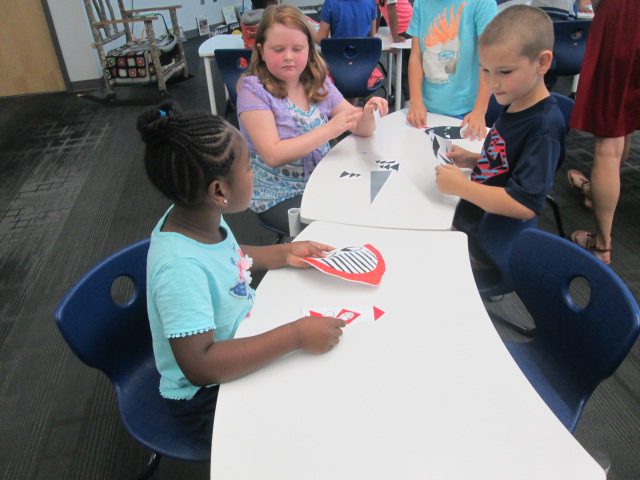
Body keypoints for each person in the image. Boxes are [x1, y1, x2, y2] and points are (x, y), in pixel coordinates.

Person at [137, 102, 346, 448]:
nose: (255, 173)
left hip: (239, 339)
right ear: (219, 191)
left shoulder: (196, 215)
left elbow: (226, 256)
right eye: (249, 167)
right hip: (204, 399)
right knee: (315, 422)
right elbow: (201, 366)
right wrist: (295, 336)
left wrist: (282, 253)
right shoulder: (179, 268)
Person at [237, 5, 388, 233]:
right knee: (346, 224)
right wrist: (329, 130)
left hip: (321, 179)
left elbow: (360, 127)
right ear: (262, 50)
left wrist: (368, 113)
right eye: (278, 49)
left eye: (297, 49)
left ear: (309, 48)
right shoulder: (253, 91)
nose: (288, 57)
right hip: (279, 195)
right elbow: (273, 154)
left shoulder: (316, 81)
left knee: (372, 203)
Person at [434, 5, 565, 265]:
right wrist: (474, 159)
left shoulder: (544, 127)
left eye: (504, 72)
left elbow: (524, 204)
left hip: (491, 244)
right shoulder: (516, 101)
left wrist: (461, 187)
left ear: (542, 62)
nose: (492, 83)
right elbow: (510, 160)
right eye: (485, 70)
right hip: (473, 220)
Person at [565, 0, 639, 265]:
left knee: (609, 141)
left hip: (623, 23)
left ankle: (602, 245)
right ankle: (595, 192)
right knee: (624, 122)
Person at [406, 0, 497, 140]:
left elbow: (488, 60)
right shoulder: (421, 2)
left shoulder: (482, 3)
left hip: (465, 114)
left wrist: (479, 111)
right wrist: (415, 99)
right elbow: (415, 55)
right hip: (426, 110)